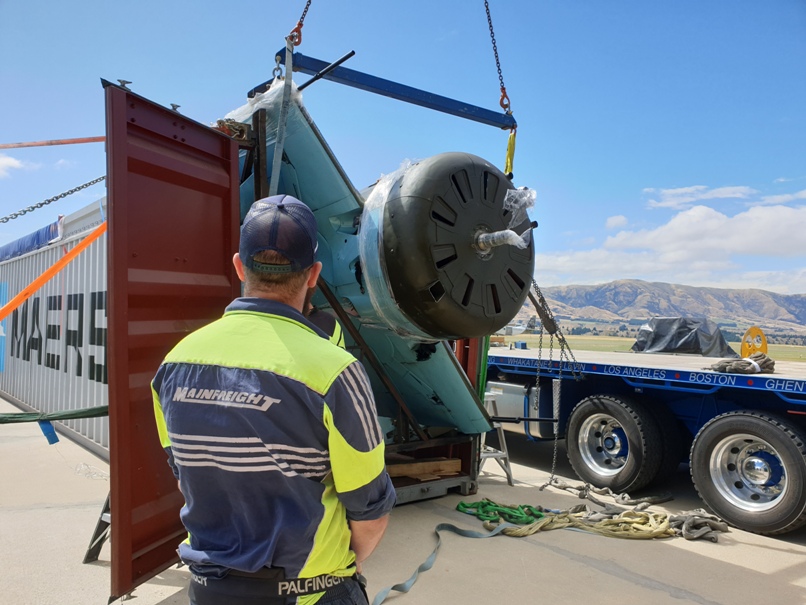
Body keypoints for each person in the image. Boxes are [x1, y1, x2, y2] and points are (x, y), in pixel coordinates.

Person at [152, 195, 396, 605]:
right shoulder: (336, 371)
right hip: (312, 593)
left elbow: (185, 475)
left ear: (238, 266)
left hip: (211, 591)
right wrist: (338, 573)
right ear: (314, 274)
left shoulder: (175, 363)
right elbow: (370, 511)